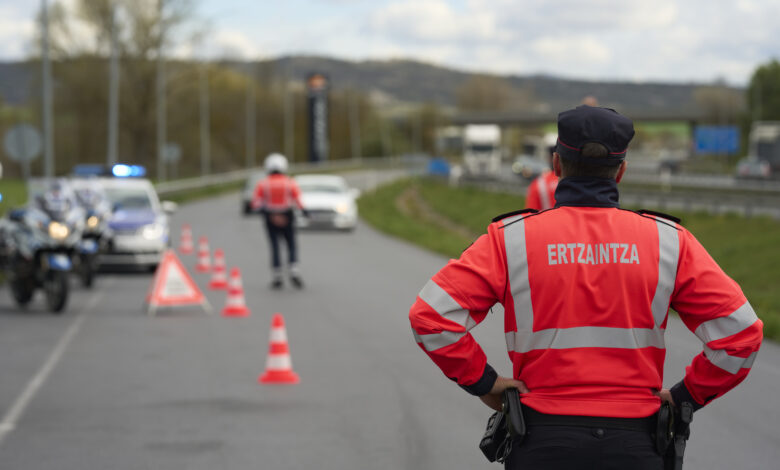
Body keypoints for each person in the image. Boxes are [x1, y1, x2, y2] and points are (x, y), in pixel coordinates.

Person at [408, 105, 763, 469]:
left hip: (542, 441)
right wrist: (686, 395)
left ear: (557, 165)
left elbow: (431, 318)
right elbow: (741, 334)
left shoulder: (511, 240)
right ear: (621, 171)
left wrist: (485, 383)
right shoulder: (669, 242)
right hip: (637, 445)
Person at [252, 153, 307, 289]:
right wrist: (304, 211)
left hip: (270, 217)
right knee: (291, 244)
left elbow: (256, 204)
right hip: (287, 215)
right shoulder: (290, 182)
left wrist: (269, 213)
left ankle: (277, 275)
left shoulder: (263, 184)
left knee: (275, 245)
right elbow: (298, 200)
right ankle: (294, 271)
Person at [524, 144, 558, 210]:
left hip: (547, 219)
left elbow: (530, 214)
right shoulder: (575, 182)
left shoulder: (538, 184)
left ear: (551, 158)